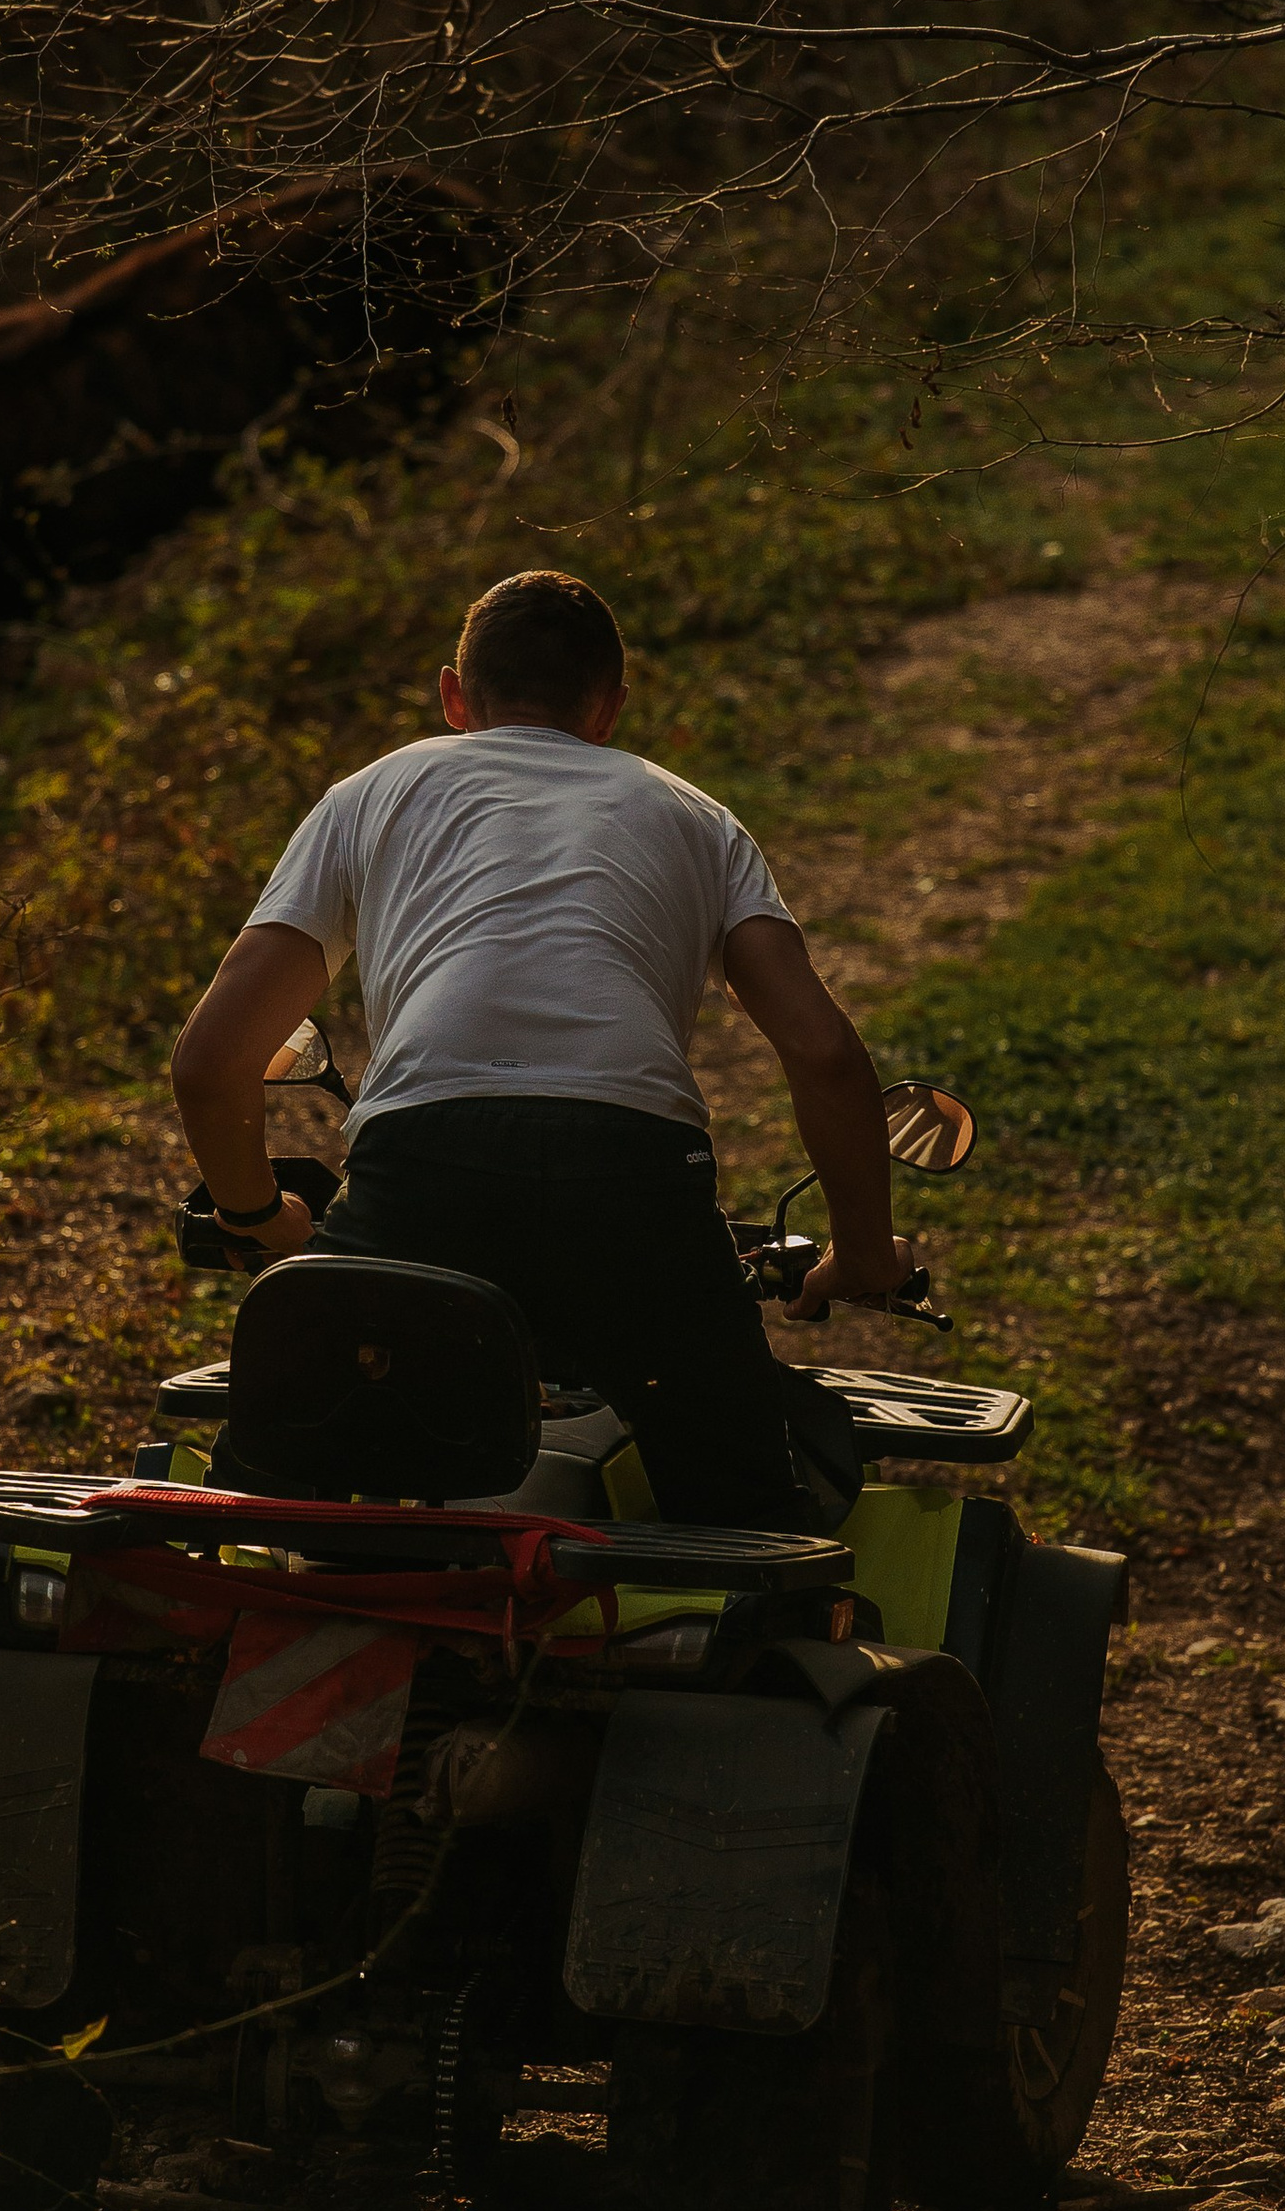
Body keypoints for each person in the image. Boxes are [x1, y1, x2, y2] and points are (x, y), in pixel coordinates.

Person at [168, 569, 915, 1525]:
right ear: (609, 710)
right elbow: (825, 1057)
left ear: (453, 697)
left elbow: (209, 1061)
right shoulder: (699, 820)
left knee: (267, 1489)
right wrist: (859, 1252)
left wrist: (254, 1214)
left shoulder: (374, 794)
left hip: (424, 1164)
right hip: (635, 1176)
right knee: (747, 1520)